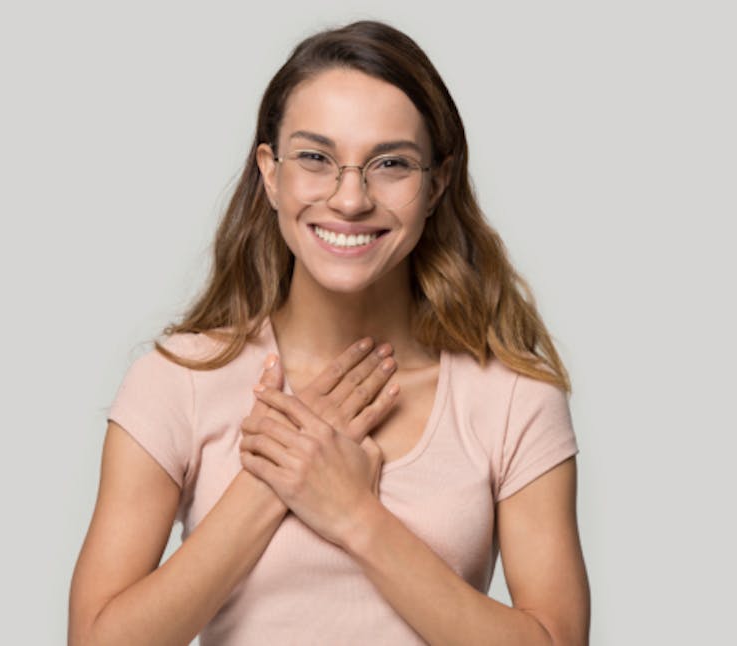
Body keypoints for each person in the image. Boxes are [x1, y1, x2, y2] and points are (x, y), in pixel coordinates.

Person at [69, 19, 590, 646]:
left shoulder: (512, 397)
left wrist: (354, 514)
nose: (350, 199)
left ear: (437, 183)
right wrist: (271, 482)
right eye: (316, 158)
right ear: (270, 172)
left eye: (391, 163)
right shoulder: (177, 380)